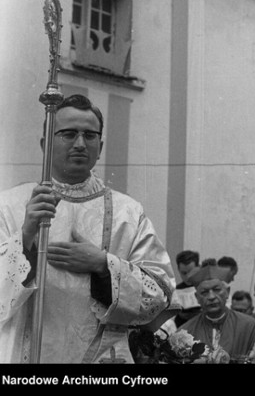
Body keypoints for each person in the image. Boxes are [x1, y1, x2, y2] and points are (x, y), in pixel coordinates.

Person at [0, 94, 174, 363]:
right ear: (45, 144)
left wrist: (103, 266)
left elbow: (159, 295)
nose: (80, 144)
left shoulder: (128, 212)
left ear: (100, 146)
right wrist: (25, 237)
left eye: (89, 136)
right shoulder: (9, 205)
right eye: (68, 134)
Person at [180, 265, 255, 363]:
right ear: (197, 297)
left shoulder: (249, 325)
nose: (211, 296)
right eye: (204, 292)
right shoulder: (185, 332)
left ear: (227, 292)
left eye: (217, 290)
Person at [172, 250, 201, 328]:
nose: (188, 276)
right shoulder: (176, 291)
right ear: (178, 270)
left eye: (191, 272)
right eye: (184, 273)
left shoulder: (207, 288)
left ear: (198, 267)